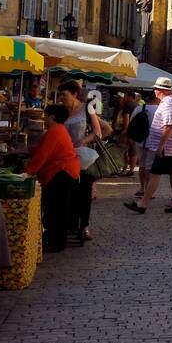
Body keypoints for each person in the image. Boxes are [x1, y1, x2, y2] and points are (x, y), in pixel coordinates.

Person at [125, 77, 172, 214]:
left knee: (155, 174)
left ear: (160, 91)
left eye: (156, 89)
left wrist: (160, 146)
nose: (154, 91)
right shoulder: (170, 101)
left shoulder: (168, 103)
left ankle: (143, 203)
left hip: (167, 147)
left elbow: (168, 126)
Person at [27, 104, 81, 252]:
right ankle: (55, 240)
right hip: (66, 172)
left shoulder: (55, 131)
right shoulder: (57, 130)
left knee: (55, 209)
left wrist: (27, 172)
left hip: (61, 172)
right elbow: (41, 151)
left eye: (46, 115)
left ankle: (56, 243)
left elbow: (42, 156)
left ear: (52, 117)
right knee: (58, 209)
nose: (44, 118)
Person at [58, 79, 105, 244]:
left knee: (84, 192)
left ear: (75, 94)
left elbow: (98, 132)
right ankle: (70, 224)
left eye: (64, 94)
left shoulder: (87, 108)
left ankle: (84, 226)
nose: (61, 98)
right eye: (60, 95)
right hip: (65, 157)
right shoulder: (61, 112)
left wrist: (83, 141)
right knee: (68, 191)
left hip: (84, 158)